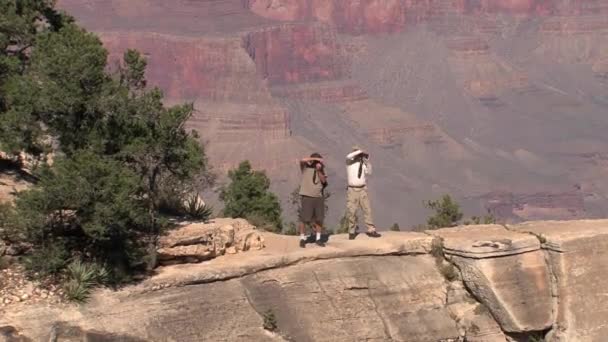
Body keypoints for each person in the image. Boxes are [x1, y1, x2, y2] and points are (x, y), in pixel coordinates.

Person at [345, 146, 381, 240]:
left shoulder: (363, 164)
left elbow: (369, 172)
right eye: (357, 154)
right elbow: (348, 156)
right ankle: (351, 231)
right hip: (352, 190)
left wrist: (367, 160)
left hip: (362, 189)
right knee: (352, 211)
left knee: (367, 209)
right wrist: (360, 151)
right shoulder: (349, 162)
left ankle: (371, 230)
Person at [298, 153, 328, 248]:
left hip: (318, 196)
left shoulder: (321, 169)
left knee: (319, 218)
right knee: (304, 219)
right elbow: (302, 160)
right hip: (307, 196)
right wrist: (314, 159)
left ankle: (318, 238)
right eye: (317, 161)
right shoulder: (305, 168)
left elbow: (324, 181)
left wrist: (319, 171)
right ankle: (302, 238)